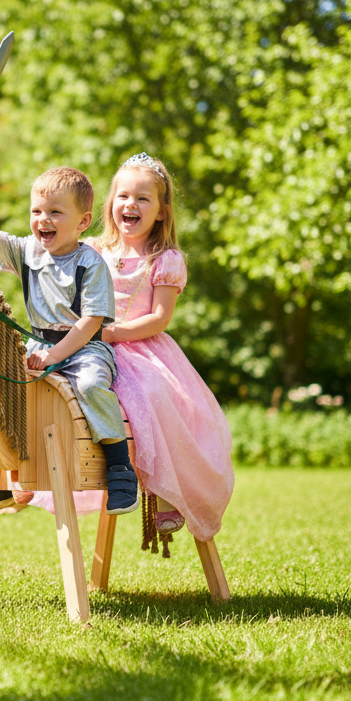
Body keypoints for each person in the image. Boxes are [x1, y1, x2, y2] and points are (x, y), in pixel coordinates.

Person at [0, 162, 139, 516]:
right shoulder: (28, 251)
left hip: (83, 347)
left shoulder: (90, 263)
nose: (43, 219)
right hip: (37, 346)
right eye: (36, 211)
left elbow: (91, 322)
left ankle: (120, 467)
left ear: (82, 222)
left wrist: (54, 355)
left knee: (91, 385)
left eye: (55, 212)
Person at [89, 152, 234, 540]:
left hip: (140, 347)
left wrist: (114, 332)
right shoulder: (94, 250)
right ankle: (28, 480)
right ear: (110, 204)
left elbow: (159, 318)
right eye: (122, 196)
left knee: (153, 395)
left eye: (142, 198)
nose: (129, 205)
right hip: (93, 348)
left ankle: (169, 490)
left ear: (161, 213)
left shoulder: (164, 259)